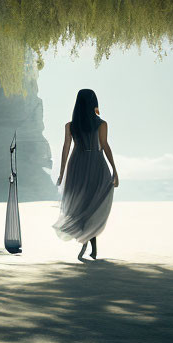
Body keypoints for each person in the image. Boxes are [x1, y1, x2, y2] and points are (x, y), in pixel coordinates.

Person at [52, 88, 119, 260]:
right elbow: (104, 145)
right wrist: (114, 169)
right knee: (92, 204)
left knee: (83, 204)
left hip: (78, 164)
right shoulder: (101, 124)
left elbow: (66, 148)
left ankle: (87, 243)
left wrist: (62, 172)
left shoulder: (71, 125)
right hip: (96, 162)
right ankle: (90, 244)